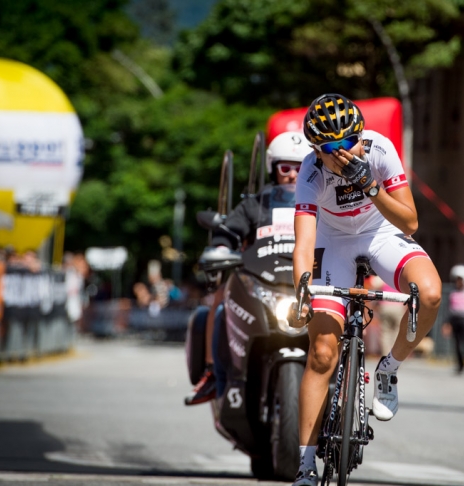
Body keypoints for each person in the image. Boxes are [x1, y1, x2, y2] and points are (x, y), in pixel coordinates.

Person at [289, 93, 442, 486]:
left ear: (361, 135)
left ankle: (388, 370)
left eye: (349, 142)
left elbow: (409, 223)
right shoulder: (310, 174)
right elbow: (304, 244)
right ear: (315, 150)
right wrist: (302, 292)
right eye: (330, 148)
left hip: (381, 231)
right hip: (333, 241)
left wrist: (371, 187)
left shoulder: (380, 149)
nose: (342, 154)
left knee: (429, 294)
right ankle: (305, 466)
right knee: (322, 353)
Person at [184, 131, 312, 406]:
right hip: (260, 281)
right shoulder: (255, 204)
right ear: (272, 169)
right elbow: (229, 231)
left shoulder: (323, 204)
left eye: (300, 169)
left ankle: (350, 374)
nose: (292, 175)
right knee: (221, 303)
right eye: (285, 168)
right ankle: (212, 374)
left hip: (310, 284)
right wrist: (220, 246)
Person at [442, 265, 464, 375]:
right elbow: (449, 309)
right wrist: (447, 323)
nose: (459, 282)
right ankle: (460, 365)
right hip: (455, 319)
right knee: (457, 343)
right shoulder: (453, 293)